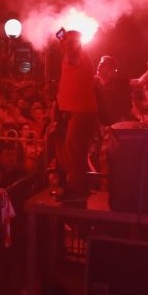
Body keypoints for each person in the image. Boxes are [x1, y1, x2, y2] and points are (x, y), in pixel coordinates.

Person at [56, 31, 97, 199]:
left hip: (81, 111)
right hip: (79, 111)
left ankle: (76, 189)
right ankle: (79, 187)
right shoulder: (74, 56)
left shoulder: (78, 56)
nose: (63, 45)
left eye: (67, 42)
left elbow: (71, 54)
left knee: (74, 150)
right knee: (75, 151)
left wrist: (66, 40)